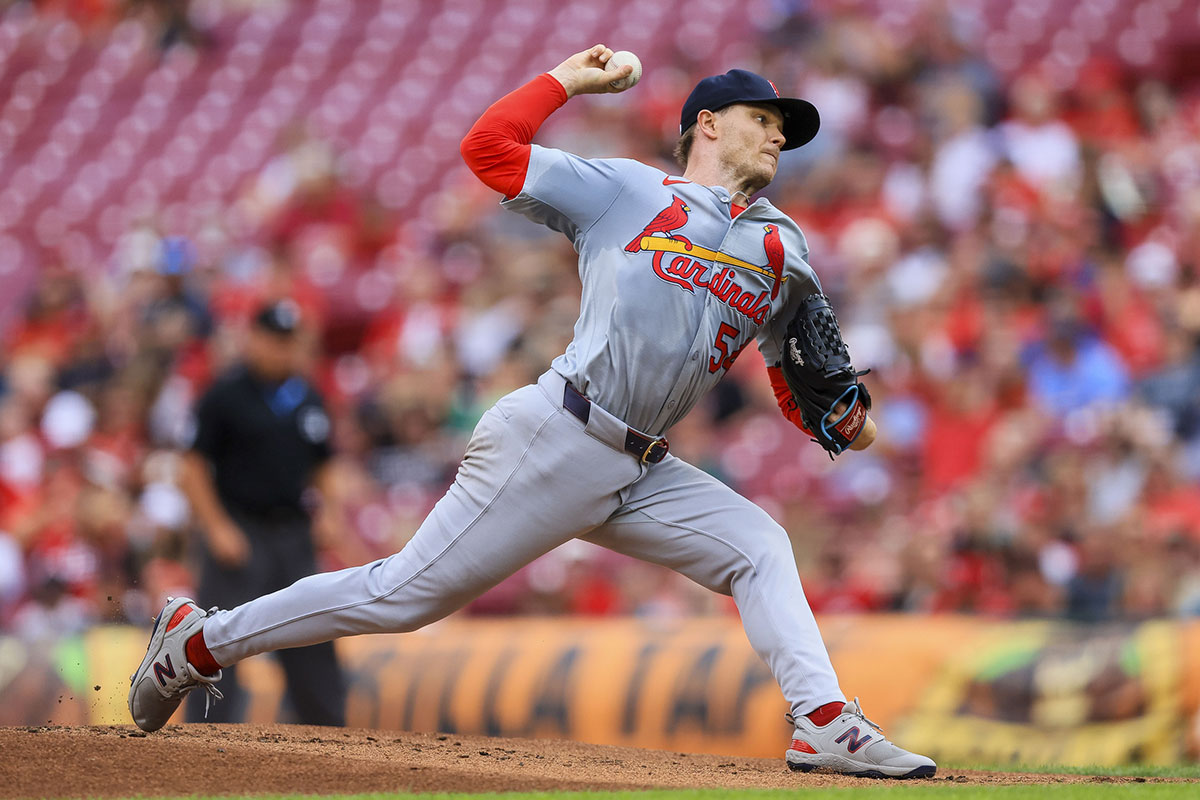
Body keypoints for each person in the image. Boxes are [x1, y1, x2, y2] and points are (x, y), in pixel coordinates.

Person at [130, 46, 934, 778]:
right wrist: (568, 81)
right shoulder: (630, 189)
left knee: (760, 544)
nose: (777, 139)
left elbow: (809, 380)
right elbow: (488, 150)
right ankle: (200, 641)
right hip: (557, 433)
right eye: (764, 120)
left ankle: (822, 720)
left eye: (784, 131)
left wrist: (845, 416)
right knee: (401, 597)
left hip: (641, 464)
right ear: (709, 126)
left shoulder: (780, 247)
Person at [174, 299, 345, 726]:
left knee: (311, 635)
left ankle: (331, 740)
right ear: (253, 339)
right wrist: (216, 528)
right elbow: (192, 467)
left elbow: (323, 465)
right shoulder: (225, 394)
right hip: (240, 529)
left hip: (292, 534)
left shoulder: (307, 397)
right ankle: (203, 741)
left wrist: (328, 512)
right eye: (273, 340)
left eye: (288, 341)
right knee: (217, 639)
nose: (281, 350)